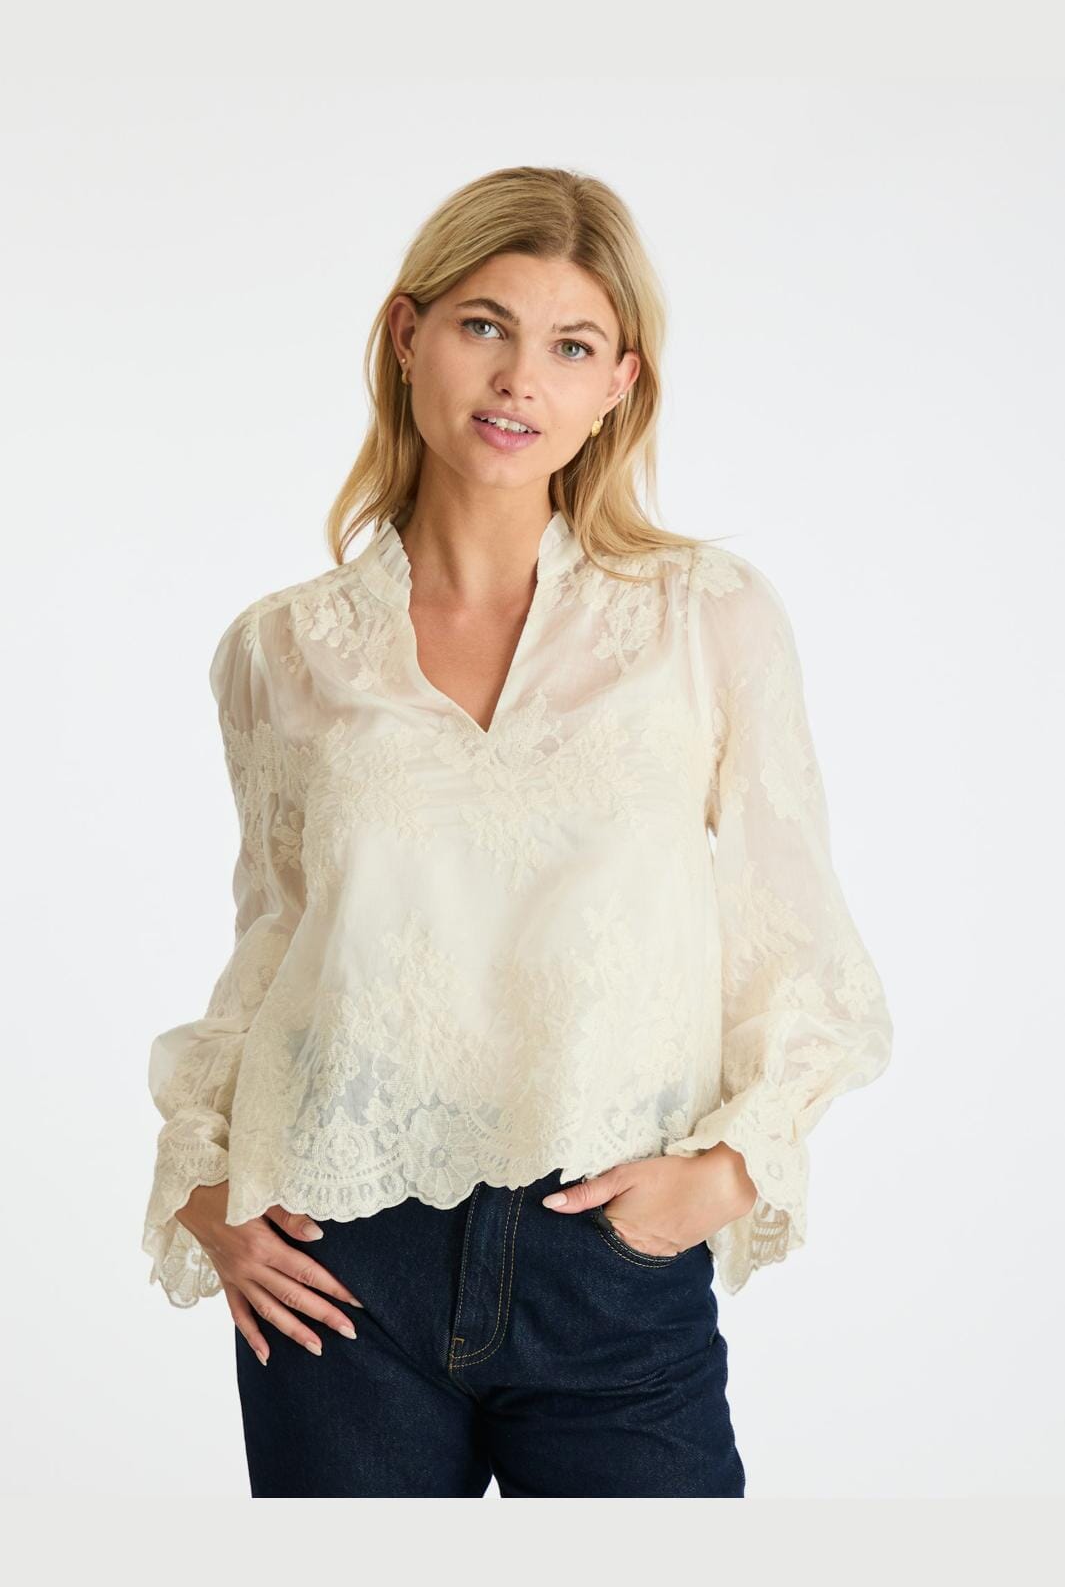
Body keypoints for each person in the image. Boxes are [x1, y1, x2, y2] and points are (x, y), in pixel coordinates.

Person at [141, 166, 893, 1498]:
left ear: (620, 384)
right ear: (407, 334)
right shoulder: (281, 650)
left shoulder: (704, 618)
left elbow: (796, 937)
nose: (517, 380)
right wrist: (203, 1176)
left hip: (607, 1259)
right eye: (483, 325)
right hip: (338, 1266)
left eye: (571, 346)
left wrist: (727, 1172)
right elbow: (277, 939)